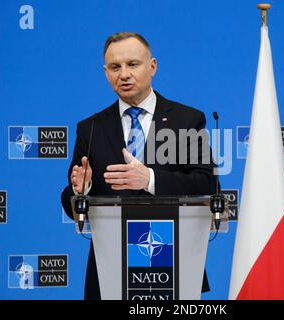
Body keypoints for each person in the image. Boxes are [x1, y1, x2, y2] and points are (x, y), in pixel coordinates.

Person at [61, 32, 217, 300]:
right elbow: (70, 201)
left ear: (152, 66)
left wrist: (149, 179)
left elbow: (208, 185)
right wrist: (81, 191)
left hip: (173, 262)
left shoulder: (186, 120)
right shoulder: (91, 128)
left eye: (133, 64)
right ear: (105, 72)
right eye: (115, 67)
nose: (124, 74)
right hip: (109, 268)